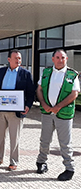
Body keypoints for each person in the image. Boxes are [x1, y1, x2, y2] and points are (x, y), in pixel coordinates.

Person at [36, 49, 80, 181]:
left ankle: (69, 168)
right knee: (45, 139)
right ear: (53, 59)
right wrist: (43, 103)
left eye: (63, 57)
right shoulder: (47, 72)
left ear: (66, 59)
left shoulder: (72, 75)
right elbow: (39, 89)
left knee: (65, 143)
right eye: (58, 57)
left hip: (64, 114)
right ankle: (41, 162)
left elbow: (74, 93)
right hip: (47, 112)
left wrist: (58, 107)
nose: (60, 60)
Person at [0, 49, 35, 171]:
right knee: (0, 136)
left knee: (14, 138)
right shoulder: (0, 72)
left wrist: (28, 105)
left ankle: (13, 161)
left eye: (19, 58)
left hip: (16, 112)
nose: (18, 60)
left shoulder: (25, 74)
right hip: (1, 110)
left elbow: (31, 93)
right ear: (9, 59)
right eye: (16, 58)